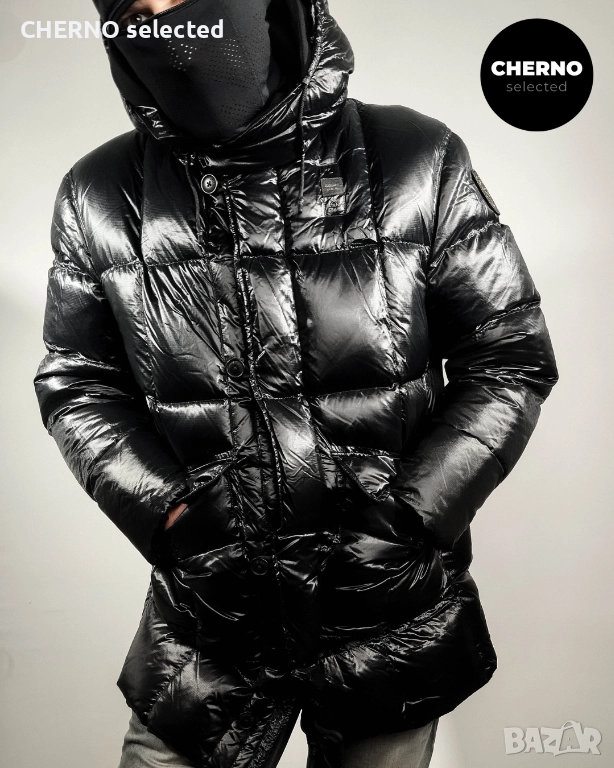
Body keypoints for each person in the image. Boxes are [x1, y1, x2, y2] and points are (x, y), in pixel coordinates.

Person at [33, 0, 558, 766]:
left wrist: (410, 518)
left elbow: (509, 354)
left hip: (385, 615)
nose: (171, 27)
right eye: (140, 10)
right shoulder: (100, 195)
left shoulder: (416, 158)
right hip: (210, 620)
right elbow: (78, 384)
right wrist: (172, 516)